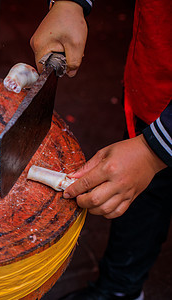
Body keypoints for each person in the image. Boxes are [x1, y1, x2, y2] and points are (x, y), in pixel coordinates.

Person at [30, 0, 171, 299]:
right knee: (145, 196)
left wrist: (154, 150)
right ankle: (121, 290)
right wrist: (71, 2)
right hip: (154, 75)